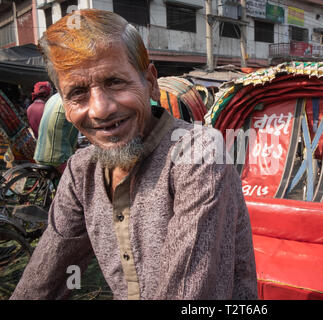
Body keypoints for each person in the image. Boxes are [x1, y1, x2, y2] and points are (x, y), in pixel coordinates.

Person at [10, 9, 257, 300]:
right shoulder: (81, 171)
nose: (101, 109)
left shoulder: (198, 153)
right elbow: (44, 278)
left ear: (150, 82)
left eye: (115, 82)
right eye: (78, 92)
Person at [33, 93, 79, 173]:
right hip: (58, 157)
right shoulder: (71, 101)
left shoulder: (52, 98)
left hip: (39, 154)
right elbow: (74, 134)